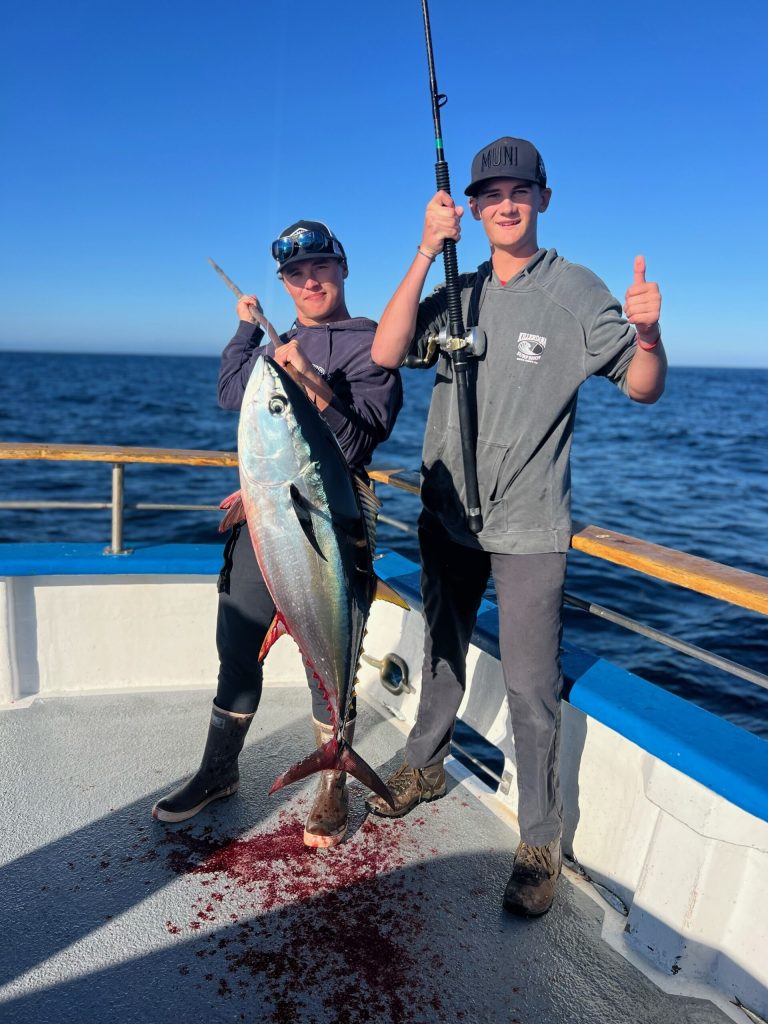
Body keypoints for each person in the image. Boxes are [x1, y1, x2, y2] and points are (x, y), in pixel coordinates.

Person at [364, 137, 666, 916]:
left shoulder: (575, 292)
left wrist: (651, 335)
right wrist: (425, 253)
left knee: (532, 690)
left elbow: (641, 387)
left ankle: (539, 840)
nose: (506, 203)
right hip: (446, 518)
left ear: (542, 199)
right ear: (470, 207)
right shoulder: (457, 293)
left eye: (520, 191)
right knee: (440, 655)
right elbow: (388, 350)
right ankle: (424, 764)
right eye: (490, 193)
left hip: (531, 524)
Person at [153, 220, 403, 848]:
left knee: (329, 661)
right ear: (285, 283)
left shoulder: (371, 343)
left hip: (329, 528)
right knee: (236, 644)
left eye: (321, 268)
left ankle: (332, 780)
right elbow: (232, 394)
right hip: (266, 518)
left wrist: (309, 383)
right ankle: (218, 770)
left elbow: (362, 434)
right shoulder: (276, 341)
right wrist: (247, 329)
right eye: (296, 273)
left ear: (343, 269)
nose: (310, 281)